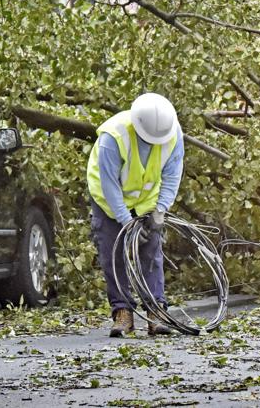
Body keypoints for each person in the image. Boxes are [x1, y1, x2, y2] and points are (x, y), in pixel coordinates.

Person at [86, 93, 184, 337]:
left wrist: (160, 210)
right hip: (108, 199)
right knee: (113, 251)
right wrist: (126, 222)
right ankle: (122, 313)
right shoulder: (114, 137)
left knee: (151, 251)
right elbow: (109, 185)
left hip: (146, 200)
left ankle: (156, 312)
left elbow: (172, 176)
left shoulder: (172, 134)